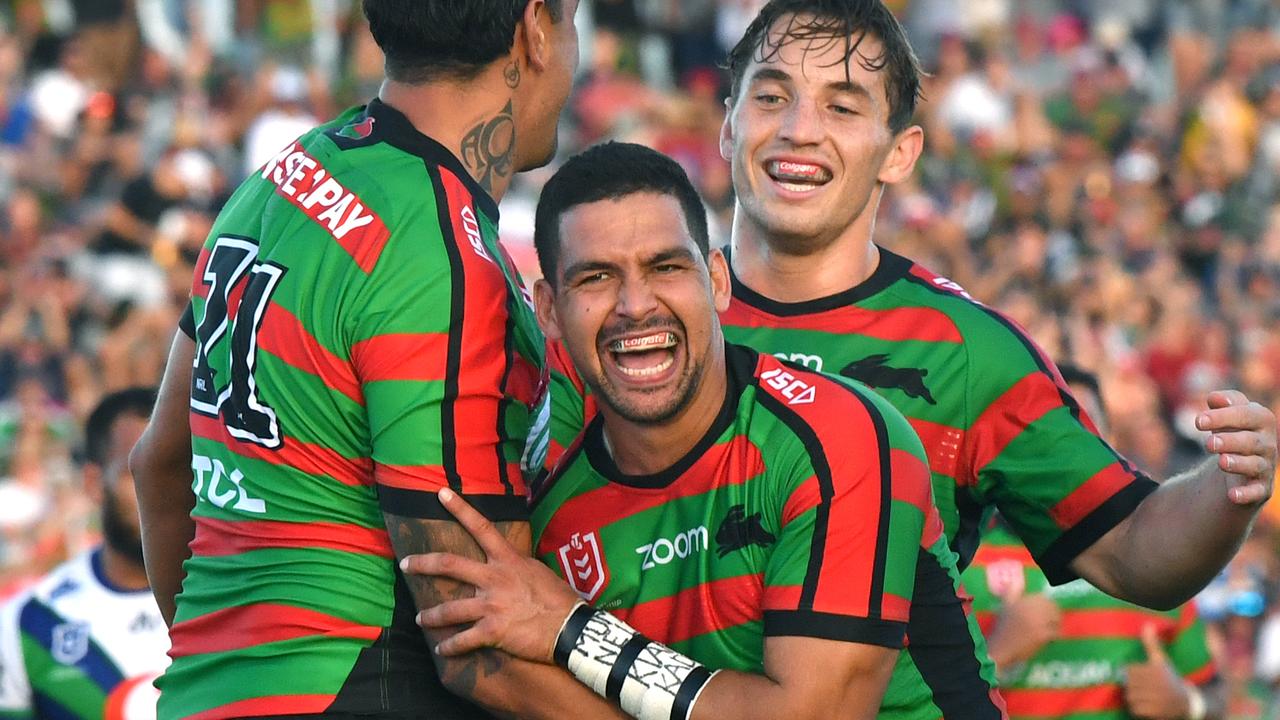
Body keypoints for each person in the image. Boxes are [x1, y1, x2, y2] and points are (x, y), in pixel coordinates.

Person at [545, 0, 1277, 718]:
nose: (800, 130)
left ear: (901, 151)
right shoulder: (615, 331)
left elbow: (1130, 549)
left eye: (843, 106)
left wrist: (1229, 486)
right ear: (730, 121)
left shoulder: (967, 351)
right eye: (773, 96)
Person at [127, 2, 629, 718]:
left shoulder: (283, 176)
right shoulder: (444, 260)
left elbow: (158, 466)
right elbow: (477, 633)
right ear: (535, 29)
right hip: (357, 688)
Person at [404, 140, 972, 720]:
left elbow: (819, 714)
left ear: (718, 281)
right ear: (547, 310)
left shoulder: (839, 439)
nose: (635, 305)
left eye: (666, 267)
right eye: (596, 278)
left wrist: (576, 629)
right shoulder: (554, 526)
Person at [962, 367, 1222, 720]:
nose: (1066, 449)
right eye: (1049, 429)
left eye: (1083, 427)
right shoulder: (962, 557)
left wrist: (1188, 705)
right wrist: (996, 655)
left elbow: (1216, 695)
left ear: (1109, 439)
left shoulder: (1151, 555)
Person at [0, 388, 170, 719]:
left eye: (178, 470)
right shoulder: (29, 622)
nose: (160, 494)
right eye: (135, 474)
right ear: (93, 483)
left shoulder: (236, 601)